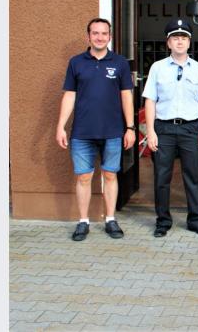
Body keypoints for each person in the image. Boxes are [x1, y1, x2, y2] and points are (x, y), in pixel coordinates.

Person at [56, 18, 136, 241]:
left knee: (110, 175)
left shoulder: (120, 63)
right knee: (83, 177)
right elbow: (69, 95)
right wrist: (60, 126)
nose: (100, 37)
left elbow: (126, 96)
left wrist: (130, 127)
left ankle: (111, 219)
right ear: (88, 36)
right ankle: (83, 222)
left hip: (112, 131)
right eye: (95, 33)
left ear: (109, 36)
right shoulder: (76, 63)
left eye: (104, 33)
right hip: (82, 132)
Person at [143, 19, 198, 238]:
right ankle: (163, 222)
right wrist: (151, 132)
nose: (180, 42)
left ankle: (195, 221)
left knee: (193, 177)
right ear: (168, 43)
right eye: (175, 38)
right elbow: (150, 101)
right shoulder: (158, 68)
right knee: (161, 178)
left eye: (184, 38)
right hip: (163, 129)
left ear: (189, 42)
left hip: (191, 130)